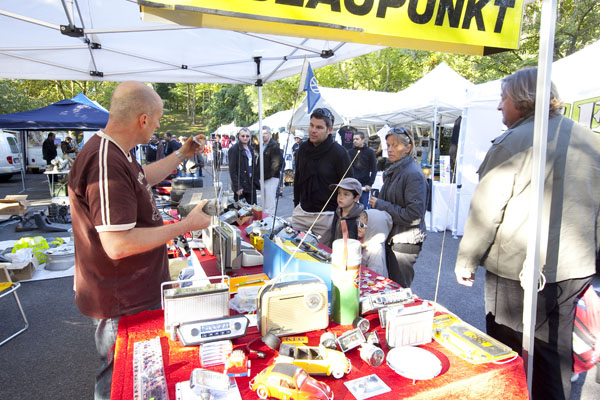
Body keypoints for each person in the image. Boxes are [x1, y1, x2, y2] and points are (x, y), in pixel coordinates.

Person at [454, 67, 600, 400]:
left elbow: (487, 211)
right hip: (574, 268)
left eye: (503, 99)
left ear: (522, 100)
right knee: (555, 354)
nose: (499, 107)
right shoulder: (591, 140)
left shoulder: (514, 143)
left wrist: (466, 260)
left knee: (510, 353)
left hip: (520, 273)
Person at [67, 81, 210, 400]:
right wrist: (186, 224)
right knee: (119, 378)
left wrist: (181, 154)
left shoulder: (116, 154)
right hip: (121, 297)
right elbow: (118, 244)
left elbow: (143, 178)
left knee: (132, 374)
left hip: (128, 293)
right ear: (143, 119)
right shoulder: (105, 160)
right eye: (157, 118)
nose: (159, 125)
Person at [369, 127, 427, 288]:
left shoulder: (412, 173)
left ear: (408, 148)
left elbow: (414, 215)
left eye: (396, 145)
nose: (390, 149)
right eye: (388, 145)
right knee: (391, 287)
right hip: (393, 238)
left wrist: (380, 204)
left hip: (404, 241)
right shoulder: (395, 169)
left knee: (399, 290)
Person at [293, 107, 352, 245]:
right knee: (293, 252)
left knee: (319, 258)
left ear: (329, 130)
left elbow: (349, 186)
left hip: (326, 217)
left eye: (319, 127)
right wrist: (296, 205)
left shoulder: (339, 153)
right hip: (301, 213)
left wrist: (342, 215)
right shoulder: (302, 149)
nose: (313, 130)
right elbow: (298, 180)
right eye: (311, 125)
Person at [328, 177, 363, 247]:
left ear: (356, 198)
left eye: (346, 194)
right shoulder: (338, 212)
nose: (341, 197)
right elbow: (333, 235)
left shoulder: (360, 218)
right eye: (339, 193)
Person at [357, 209, 392, 278]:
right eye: (358, 223)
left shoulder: (376, 250)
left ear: (373, 228)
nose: (358, 227)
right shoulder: (362, 240)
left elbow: (374, 276)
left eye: (362, 225)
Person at [348, 130, 377, 209]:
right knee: (350, 207)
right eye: (353, 139)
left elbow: (374, 169)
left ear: (363, 140)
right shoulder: (350, 152)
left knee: (363, 208)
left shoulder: (370, 152)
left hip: (364, 185)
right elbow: (347, 169)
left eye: (357, 139)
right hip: (352, 184)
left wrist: (370, 184)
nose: (354, 141)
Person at [228, 127, 258, 204]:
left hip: (250, 184)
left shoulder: (251, 149)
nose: (245, 138)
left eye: (247, 136)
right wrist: (237, 187)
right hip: (241, 186)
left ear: (250, 137)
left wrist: (255, 182)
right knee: (241, 212)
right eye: (243, 136)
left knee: (253, 210)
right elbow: (232, 170)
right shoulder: (234, 149)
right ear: (239, 136)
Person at [260, 126, 283, 216]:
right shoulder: (261, 146)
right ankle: (265, 222)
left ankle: (269, 223)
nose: (263, 136)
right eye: (262, 134)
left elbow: (277, 164)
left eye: (265, 133)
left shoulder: (274, 146)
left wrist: (267, 176)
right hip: (263, 178)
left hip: (271, 178)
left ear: (270, 134)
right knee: (264, 203)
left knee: (269, 204)